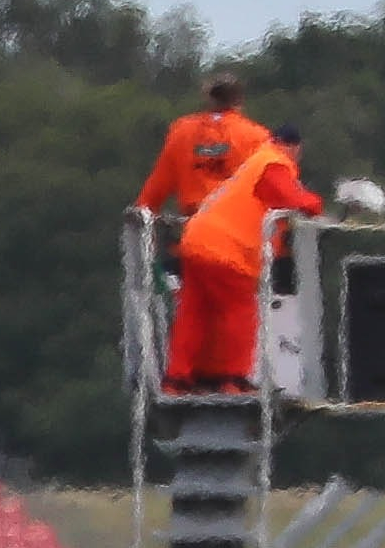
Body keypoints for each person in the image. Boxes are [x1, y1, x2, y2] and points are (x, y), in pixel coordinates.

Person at [165, 123, 325, 394]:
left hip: (195, 242)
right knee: (240, 312)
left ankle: (177, 380)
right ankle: (233, 379)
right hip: (227, 249)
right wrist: (315, 206)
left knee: (194, 313)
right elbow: (289, 197)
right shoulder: (273, 162)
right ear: (294, 147)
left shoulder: (251, 163)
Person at [134, 71, 269, 225]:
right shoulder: (257, 136)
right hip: (237, 228)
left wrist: (141, 212)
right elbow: (271, 188)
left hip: (193, 229)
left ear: (208, 96)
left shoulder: (182, 132)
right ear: (239, 100)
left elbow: (157, 187)